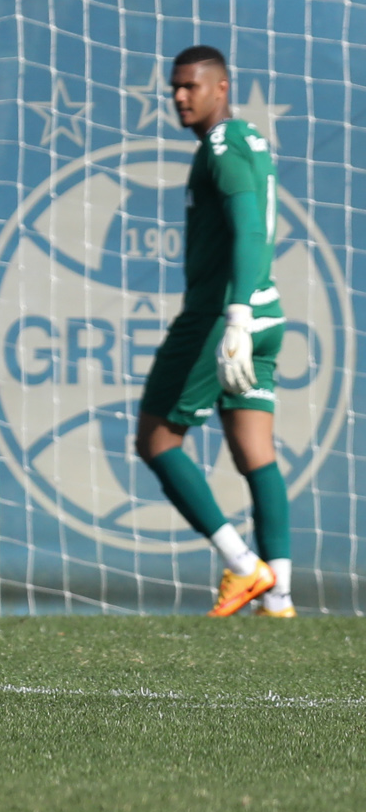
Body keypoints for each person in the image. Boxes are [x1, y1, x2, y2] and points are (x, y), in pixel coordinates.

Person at [135, 46, 294, 617]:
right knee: (257, 452)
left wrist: (236, 318)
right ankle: (279, 595)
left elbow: (249, 225)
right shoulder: (250, 139)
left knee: (155, 438)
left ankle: (243, 566)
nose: (179, 96)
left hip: (222, 316)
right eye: (174, 87)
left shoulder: (223, 146)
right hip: (269, 308)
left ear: (221, 88)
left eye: (191, 86)